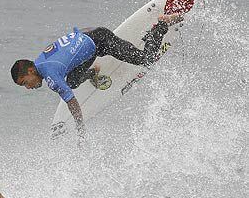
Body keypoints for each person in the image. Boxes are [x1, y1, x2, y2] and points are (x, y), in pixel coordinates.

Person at [10, 13, 182, 137]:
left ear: (31, 71)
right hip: (88, 36)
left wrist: (80, 128)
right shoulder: (41, 61)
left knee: (146, 59)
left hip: (100, 40)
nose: (28, 87)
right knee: (72, 82)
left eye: (25, 82)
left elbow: (71, 101)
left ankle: (162, 24)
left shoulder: (50, 75)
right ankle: (93, 71)